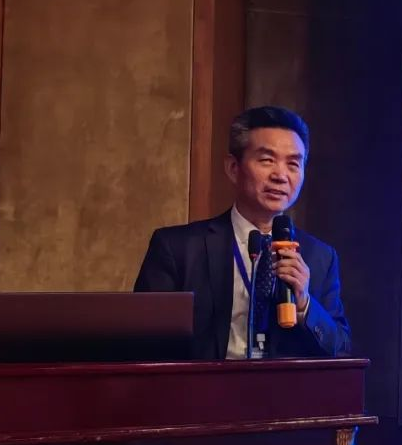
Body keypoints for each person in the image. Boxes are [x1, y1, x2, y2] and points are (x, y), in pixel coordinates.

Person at [134, 106, 351, 359]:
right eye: (267, 160)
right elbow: (143, 342)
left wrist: (304, 303)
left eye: (293, 164)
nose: (281, 175)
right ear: (233, 168)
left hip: (285, 385)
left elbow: (340, 349)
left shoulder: (320, 257)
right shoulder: (178, 248)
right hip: (203, 383)